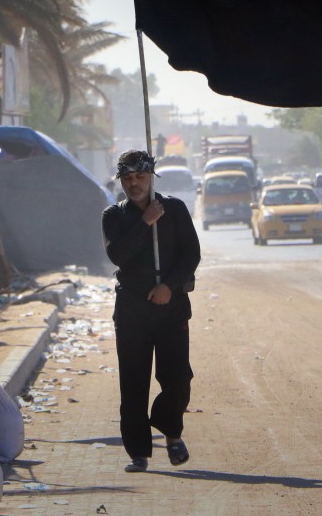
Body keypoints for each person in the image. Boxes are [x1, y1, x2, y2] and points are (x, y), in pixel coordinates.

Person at [101, 149, 200, 473]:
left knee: (177, 378)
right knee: (133, 382)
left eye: (140, 176)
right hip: (131, 308)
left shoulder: (174, 209)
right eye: (128, 178)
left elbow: (191, 254)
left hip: (171, 306)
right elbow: (118, 255)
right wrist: (145, 223)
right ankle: (139, 452)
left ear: (151, 176)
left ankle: (169, 428)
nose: (134, 183)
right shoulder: (114, 216)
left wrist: (169, 286)